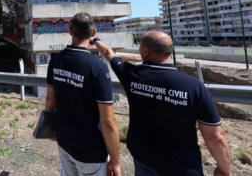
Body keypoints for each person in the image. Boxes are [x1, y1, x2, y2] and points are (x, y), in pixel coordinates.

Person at [93, 30, 231, 176]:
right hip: (182, 165)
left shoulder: (132, 75)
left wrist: (95, 40)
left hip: (144, 159)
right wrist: (225, 169)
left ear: (145, 51)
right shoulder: (194, 87)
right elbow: (214, 136)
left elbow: (109, 53)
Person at [45, 12, 121, 176]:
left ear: (69, 30)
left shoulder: (56, 60)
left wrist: (51, 128)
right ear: (93, 33)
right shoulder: (97, 67)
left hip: (64, 141)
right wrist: (115, 161)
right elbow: (108, 121)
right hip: (90, 150)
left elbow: (50, 100)